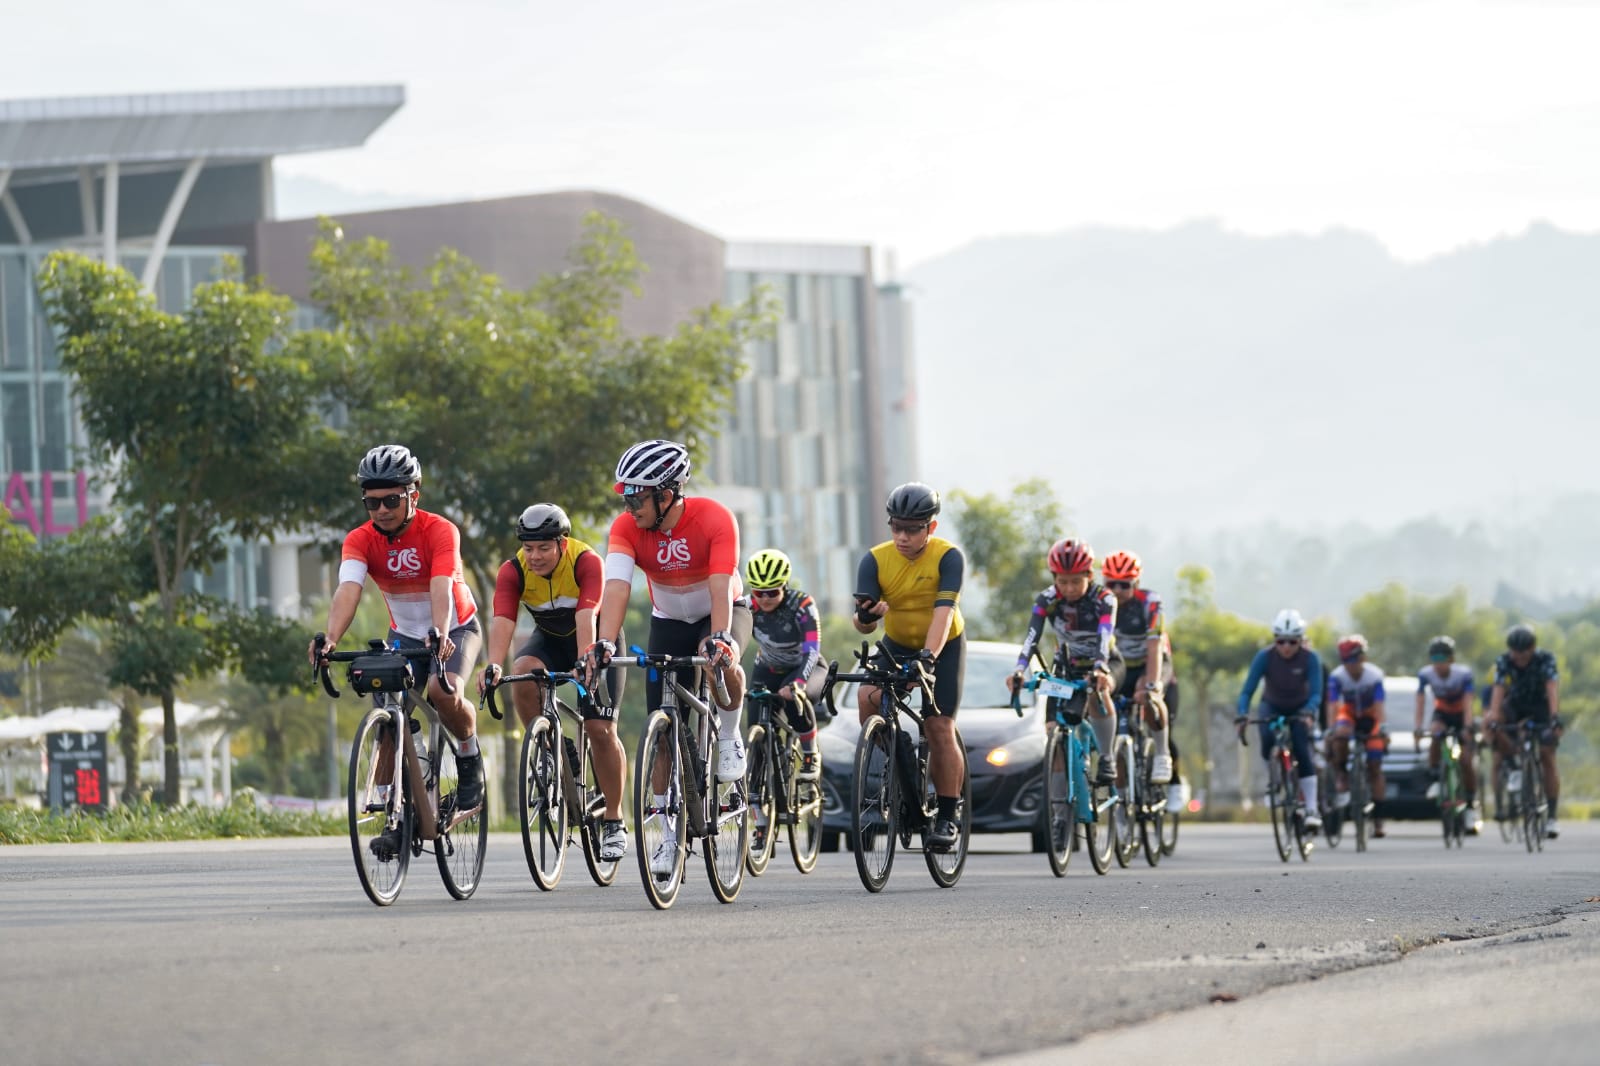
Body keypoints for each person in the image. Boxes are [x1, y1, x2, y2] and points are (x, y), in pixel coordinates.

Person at [584, 439, 750, 877]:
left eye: (637, 495)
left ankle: (730, 734)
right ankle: (669, 836)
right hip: (668, 620)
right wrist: (604, 641)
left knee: (718, 659)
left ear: (668, 492)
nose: (629, 504)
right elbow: (616, 587)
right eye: (626, 495)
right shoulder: (625, 528)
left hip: (721, 610)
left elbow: (719, 586)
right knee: (661, 730)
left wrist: (719, 639)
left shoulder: (714, 518)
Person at [309, 444, 483, 860]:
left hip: (455, 626)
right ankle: (397, 813)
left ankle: (468, 754)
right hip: (404, 635)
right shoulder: (360, 540)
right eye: (372, 502)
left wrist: (440, 631)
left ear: (413, 496)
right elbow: (348, 590)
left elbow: (441, 585)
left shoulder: (440, 530)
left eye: (391, 500)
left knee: (443, 693)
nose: (381, 510)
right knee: (388, 711)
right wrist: (330, 638)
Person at [479, 503, 629, 862]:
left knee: (600, 728)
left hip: (591, 638)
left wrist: (585, 661)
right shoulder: (512, 570)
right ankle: (550, 748)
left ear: (562, 543)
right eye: (529, 548)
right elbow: (502, 619)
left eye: (544, 548)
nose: (535, 556)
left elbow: (585, 614)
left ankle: (614, 819)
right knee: (523, 671)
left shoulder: (585, 560)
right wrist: (493, 665)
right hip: (548, 640)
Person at [853, 482, 967, 852]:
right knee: (867, 698)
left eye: (912, 529)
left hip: (942, 646)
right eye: (896, 527)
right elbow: (864, 625)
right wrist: (867, 617)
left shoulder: (948, 557)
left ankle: (947, 817)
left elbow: (944, 614)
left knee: (938, 725)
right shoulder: (874, 559)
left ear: (930, 527)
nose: (902, 536)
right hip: (898, 644)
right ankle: (894, 746)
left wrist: (929, 659)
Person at [1009, 539, 1122, 787]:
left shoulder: (1105, 599)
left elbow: (1105, 634)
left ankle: (1106, 756)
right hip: (1067, 667)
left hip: (1104, 662)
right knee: (1053, 731)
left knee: (1097, 691)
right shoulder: (1046, 599)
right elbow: (1032, 636)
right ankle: (1059, 815)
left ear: (1089, 575)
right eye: (1062, 581)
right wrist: (1019, 669)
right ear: (1054, 577)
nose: (1069, 588)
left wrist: (1100, 666)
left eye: (1075, 581)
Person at [1235, 609, 1323, 829]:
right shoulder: (1264, 657)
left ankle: (1311, 808)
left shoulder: (1310, 658)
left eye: (1292, 642)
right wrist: (1243, 713)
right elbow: (1247, 690)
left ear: (1301, 641)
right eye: (1280, 641)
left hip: (1299, 708)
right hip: (1271, 705)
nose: (1286, 647)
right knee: (1266, 738)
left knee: (1302, 749)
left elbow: (1316, 693)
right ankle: (1274, 779)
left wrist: (1309, 710)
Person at [743, 548, 825, 778]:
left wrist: (798, 682)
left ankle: (810, 752)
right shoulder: (746, 605)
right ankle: (760, 788)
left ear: (784, 586)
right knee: (755, 721)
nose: (765, 598)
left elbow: (812, 651)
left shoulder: (802, 605)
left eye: (772, 592)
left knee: (792, 697)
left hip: (805, 666)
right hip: (767, 667)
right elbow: (733, 642)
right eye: (759, 592)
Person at [1101, 550, 1174, 787]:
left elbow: (1154, 648)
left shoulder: (1150, 603)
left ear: (1137, 583)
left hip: (1151, 661)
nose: (1118, 591)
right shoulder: (1101, 603)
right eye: (1112, 584)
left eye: (1125, 584)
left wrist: (1151, 684)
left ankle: (1162, 753)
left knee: (1150, 694)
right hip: (1121, 665)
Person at [1485, 623, 1562, 839]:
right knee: (1497, 722)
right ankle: (1514, 763)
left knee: (1547, 754)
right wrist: (1492, 715)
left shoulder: (1545, 659)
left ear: (1533, 648)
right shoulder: (1504, 661)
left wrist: (1554, 716)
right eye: (1515, 651)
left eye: (1524, 650)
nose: (1519, 656)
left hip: (1541, 705)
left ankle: (1553, 816)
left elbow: (1551, 687)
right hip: (1517, 705)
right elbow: (1498, 689)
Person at [1414, 635, 1479, 835]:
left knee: (1466, 760)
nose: (1438, 664)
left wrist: (1467, 727)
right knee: (1435, 733)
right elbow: (1421, 701)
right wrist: (1418, 727)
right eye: (1434, 659)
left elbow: (1468, 703)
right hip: (1442, 713)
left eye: (1442, 659)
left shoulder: (1463, 674)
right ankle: (1436, 777)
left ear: (1451, 659)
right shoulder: (1426, 674)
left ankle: (1469, 805)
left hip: (1461, 715)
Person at [1326, 634, 1389, 838]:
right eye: (1345, 661)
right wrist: (1331, 729)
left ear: (1363, 658)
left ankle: (1379, 820)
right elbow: (1333, 706)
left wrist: (1383, 728)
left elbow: (1380, 706)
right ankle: (1342, 773)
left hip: (1371, 715)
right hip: (1350, 714)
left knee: (1375, 767)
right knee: (1340, 733)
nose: (1349, 666)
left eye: (1353, 660)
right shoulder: (1337, 677)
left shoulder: (1374, 676)